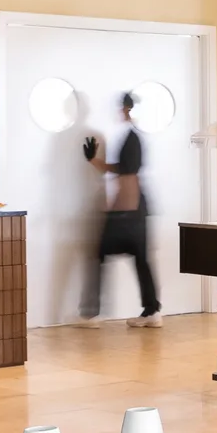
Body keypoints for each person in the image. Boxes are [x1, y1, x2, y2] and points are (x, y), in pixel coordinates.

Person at [79, 92, 161, 328]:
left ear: (127, 109)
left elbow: (128, 174)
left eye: (123, 108)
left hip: (129, 209)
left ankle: (92, 314)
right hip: (134, 209)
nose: (120, 112)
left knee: (102, 254)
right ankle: (152, 312)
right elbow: (123, 168)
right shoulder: (131, 137)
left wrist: (119, 209)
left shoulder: (133, 138)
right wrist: (94, 161)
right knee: (141, 260)